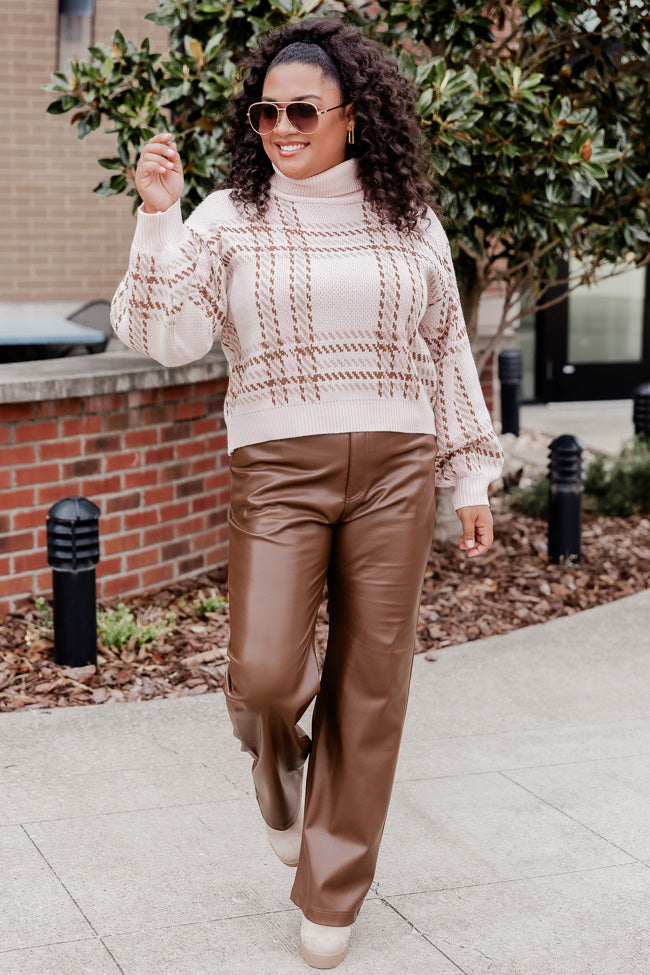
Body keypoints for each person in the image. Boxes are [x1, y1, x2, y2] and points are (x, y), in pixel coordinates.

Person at [111, 15, 504, 970]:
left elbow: (446, 347)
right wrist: (158, 213)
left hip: (401, 464)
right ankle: (278, 776)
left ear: (353, 115)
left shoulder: (410, 219)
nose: (281, 128)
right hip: (279, 467)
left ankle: (333, 885)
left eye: (301, 111)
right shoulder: (228, 217)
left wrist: (471, 473)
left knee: (373, 682)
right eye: (266, 112)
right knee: (263, 676)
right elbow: (164, 337)